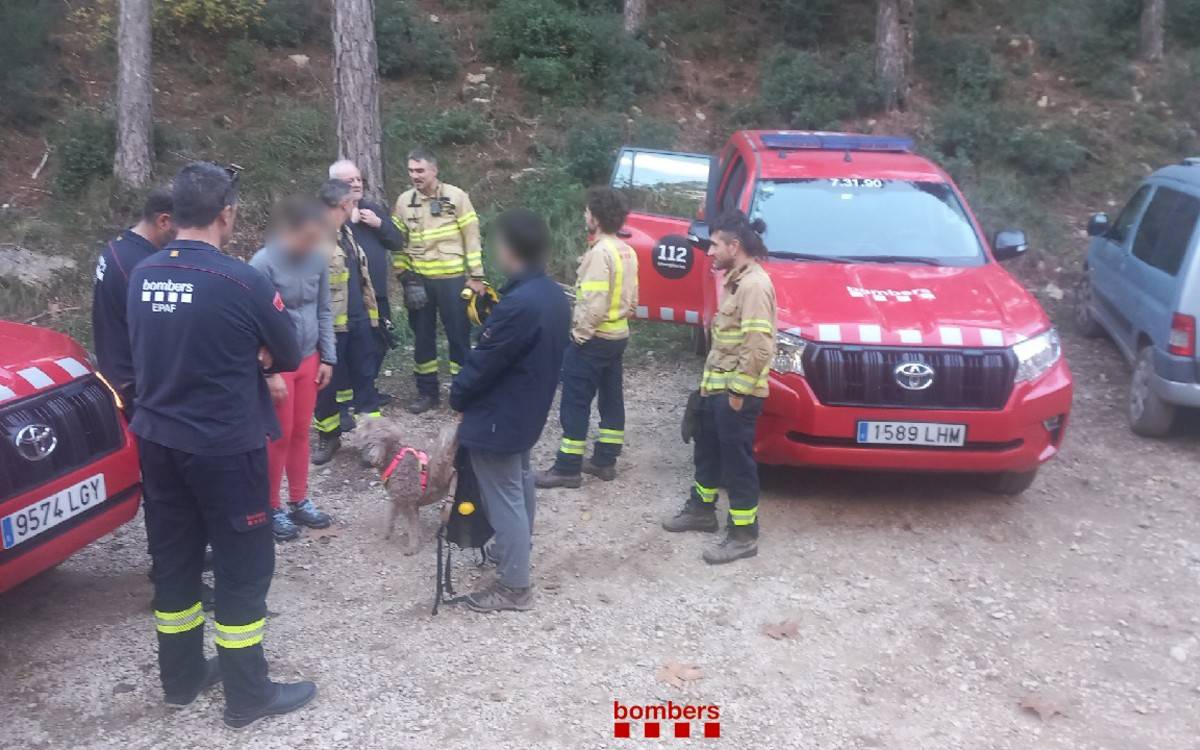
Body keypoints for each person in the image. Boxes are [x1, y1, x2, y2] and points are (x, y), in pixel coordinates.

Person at [127, 162, 316, 728]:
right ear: (226, 214)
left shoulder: (142, 272)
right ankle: (247, 694)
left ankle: (181, 678)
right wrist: (251, 352)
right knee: (243, 568)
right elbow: (287, 349)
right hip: (223, 446)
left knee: (176, 563)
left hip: (157, 442)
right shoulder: (242, 280)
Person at [449, 208, 570, 612]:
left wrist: (458, 397)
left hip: (501, 415)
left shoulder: (520, 304)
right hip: (527, 410)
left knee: (504, 495)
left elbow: (484, 363)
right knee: (520, 482)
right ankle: (512, 551)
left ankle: (515, 586)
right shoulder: (551, 294)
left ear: (510, 248)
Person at [661, 210, 777, 565]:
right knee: (707, 451)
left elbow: (758, 346)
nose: (709, 252)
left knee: (737, 464)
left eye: (714, 245)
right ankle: (701, 510)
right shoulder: (735, 281)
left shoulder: (755, 285)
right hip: (717, 390)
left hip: (736, 395)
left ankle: (743, 534)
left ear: (735, 245)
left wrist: (738, 393)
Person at [537, 187, 638, 489]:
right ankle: (605, 460)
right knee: (611, 397)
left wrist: (578, 337)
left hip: (594, 339)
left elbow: (593, 303)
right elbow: (632, 301)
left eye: (586, 212)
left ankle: (567, 468)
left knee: (575, 401)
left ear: (595, 217)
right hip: (618, 335)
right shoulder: (626, 251)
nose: (584, 215)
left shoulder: (599, 254)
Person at [250, 197, 337, 541]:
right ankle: (271, 507)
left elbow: (324, 309)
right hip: (279, 364)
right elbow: (253, 323)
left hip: (309, 359)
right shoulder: (262, 263)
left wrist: (328, 357)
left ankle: (299, 500)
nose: (314, 245)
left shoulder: (317, 258)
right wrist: (268, 374)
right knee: (279, 436)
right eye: (309, 237)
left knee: (302, 432)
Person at [392, 147, 486, 414]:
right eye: (411, 171)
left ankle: (462, 391)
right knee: (423, 338)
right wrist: (404, 276)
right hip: (419, 280)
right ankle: (427, 393)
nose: (415, 176)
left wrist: (477, 275)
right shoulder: (403, 201)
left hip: (452, 279)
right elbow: (398, 242)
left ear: (434, 170)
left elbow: (471, 236)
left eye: (420, 170)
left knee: (458, 336)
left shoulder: (456, 197)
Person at [311, 178, 382, 465]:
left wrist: (372, 318)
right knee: (326, 388)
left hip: (359, 323)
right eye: (352, 202)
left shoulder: (346, 233)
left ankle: (371, 440)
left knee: (366, 381)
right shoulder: (314, 237)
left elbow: (360, 279)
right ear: (343, 204)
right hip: (329, 329)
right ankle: (329, 436)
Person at [92, 189, 175, 413]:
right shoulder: (141, 268)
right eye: (182, 226)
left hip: (116, 370)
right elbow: (161, 333)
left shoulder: (118, 247)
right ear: (164, 221)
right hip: (136, 386)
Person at [328, 159, 404, 403]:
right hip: (347, 298)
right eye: (349, 181)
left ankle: (366, 390)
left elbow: (397, 241)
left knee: (378, 344)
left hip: (377, 294)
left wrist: (379, 224)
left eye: (359, 179)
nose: (356, 184)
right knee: (347, 348)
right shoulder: (329, 215)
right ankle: (344, 399)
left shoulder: (372, 209)